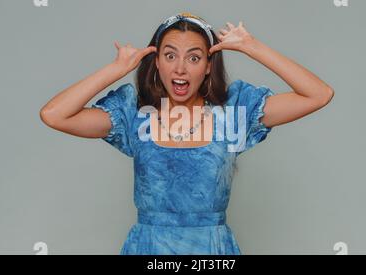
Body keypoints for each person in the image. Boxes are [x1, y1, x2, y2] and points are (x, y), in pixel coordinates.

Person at [39, 12, 334, 255]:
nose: (180, 68)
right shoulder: (134, 115)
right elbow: (54, 115)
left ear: (208, 66)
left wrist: (251, 46)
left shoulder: (232, 115)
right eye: (169, 56)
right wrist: (116, 69)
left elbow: (318, 94)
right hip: (148, 250)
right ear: (156, 63)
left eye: (194, 58)